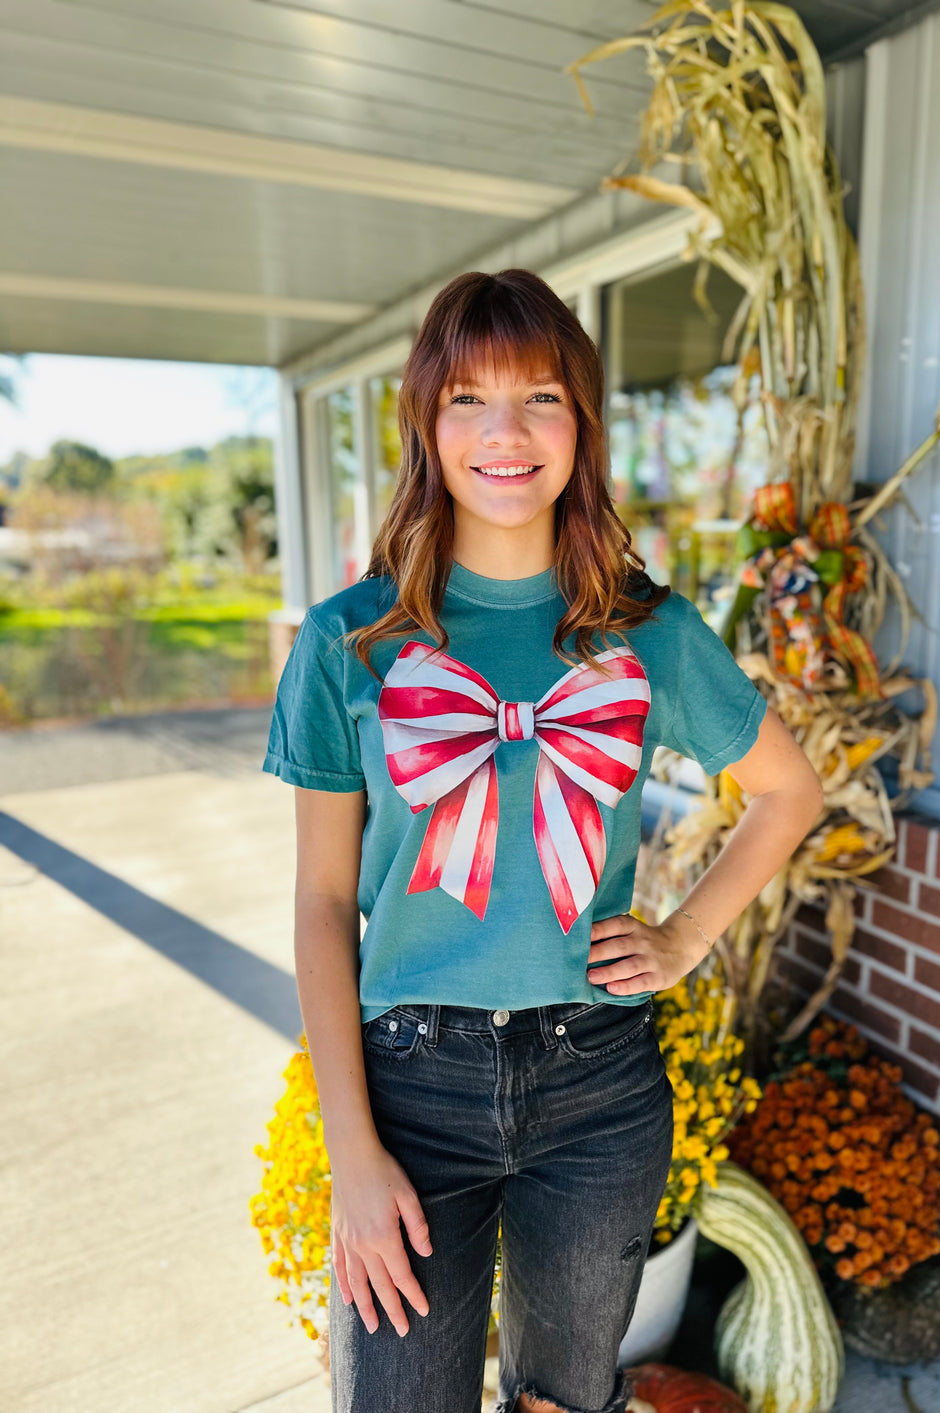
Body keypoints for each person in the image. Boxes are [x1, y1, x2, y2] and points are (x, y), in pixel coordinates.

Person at [262, 268, 824, 1413]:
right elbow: (324, 906)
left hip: (599, 1085)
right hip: (411, 1087)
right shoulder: (348, 641)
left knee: (563, 1402)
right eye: (467, 398)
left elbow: (788, 791)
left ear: (582, 424)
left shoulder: (648, 632)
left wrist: (682, 939)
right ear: (425, 423)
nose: (505, 432)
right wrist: (352, 1158)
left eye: (542, 397)